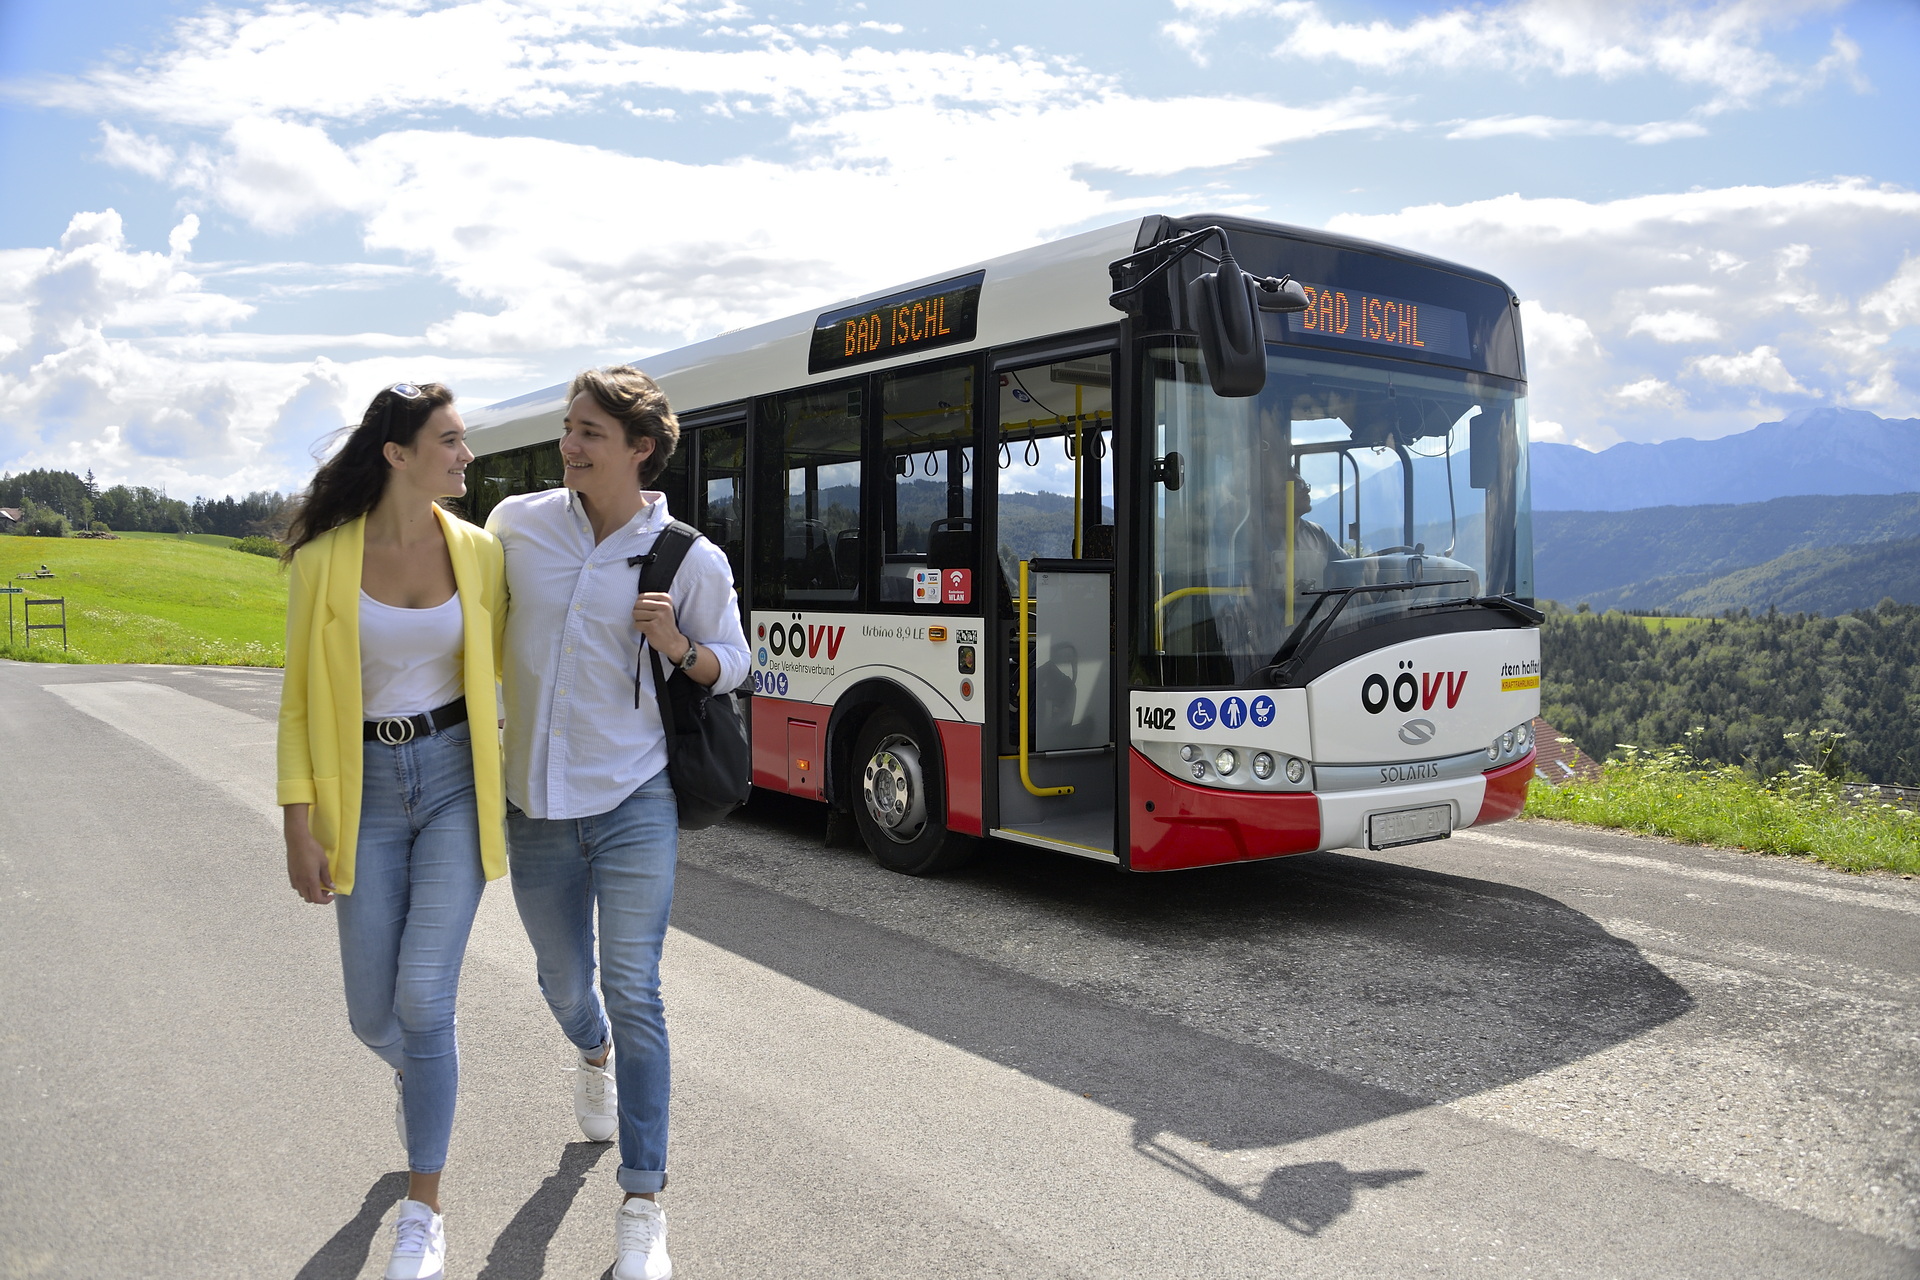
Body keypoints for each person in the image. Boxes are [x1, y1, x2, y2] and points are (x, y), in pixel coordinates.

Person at [487, 365, 749, 1280]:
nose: (569, 445)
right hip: (536, 802)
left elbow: (738, 661)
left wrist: (679, 647)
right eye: (569, 428)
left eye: (589, 433)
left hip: (636, 798)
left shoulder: (688, 558)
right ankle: (590, 1050)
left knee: (636, 986)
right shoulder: (516, 525)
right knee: (564, 980)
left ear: (640, 449)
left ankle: (643, 1201)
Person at [277, 382, 507, 1280]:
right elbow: (299, 702)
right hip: (363, 790)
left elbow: (523, 658)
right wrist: (297, 823)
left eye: (463, 439)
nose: (466, 455)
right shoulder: (324, 562)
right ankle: (421, 1074)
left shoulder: (480, 553)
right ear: (397, 454)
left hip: (454, 780)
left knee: (424, 997)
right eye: (449, 440)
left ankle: (425, 1208)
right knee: (372, 1015)